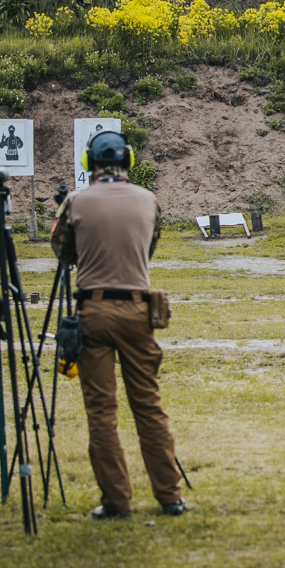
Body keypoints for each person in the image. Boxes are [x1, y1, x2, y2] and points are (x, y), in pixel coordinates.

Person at [50, 130, 184, 519]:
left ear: (89, 164)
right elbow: (149, 247)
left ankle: (117, 501)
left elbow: (64, 254)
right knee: (148, 405)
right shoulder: (149, 200)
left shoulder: (76, 201)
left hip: (93, 309)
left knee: (101, 411)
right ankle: (170, 496)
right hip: (139, 310)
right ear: (128, 161)